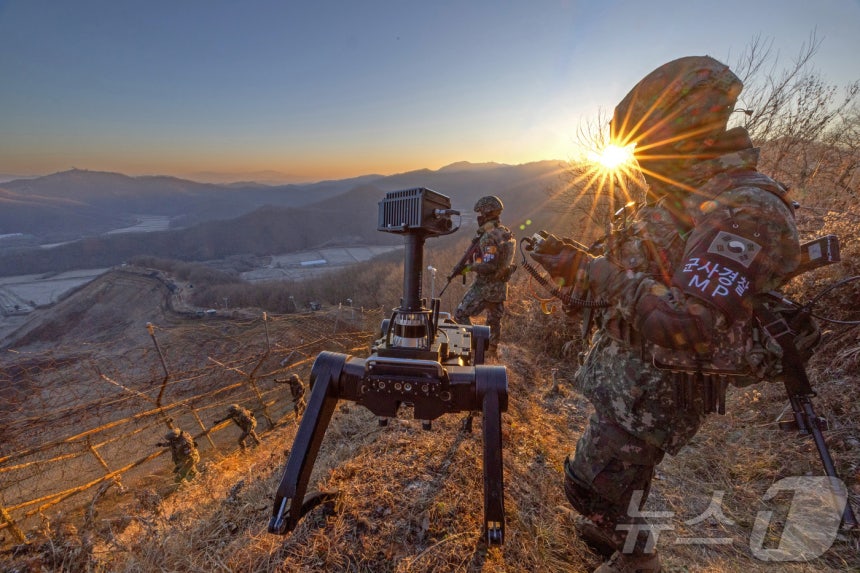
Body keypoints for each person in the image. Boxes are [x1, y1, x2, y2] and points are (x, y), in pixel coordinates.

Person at [530, 56, 801, 572]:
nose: (641, 163)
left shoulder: (745, 208)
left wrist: (591, 271)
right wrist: (575, 266)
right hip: (631, 379)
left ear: (683, 135)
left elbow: (689, 323)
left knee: (588, 485)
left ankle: (638, 560)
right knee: (617, 481)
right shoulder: (685, 197)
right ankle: (623, 536)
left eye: (649, 148)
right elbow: (643, 272)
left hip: (661, 387)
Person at [453, 195, 517, 354]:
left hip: (485, 287)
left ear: (487, 213)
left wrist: (468, 268)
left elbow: (489, 265)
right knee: (493, 320)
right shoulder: (505, 232)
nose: (479, 217)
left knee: (460, 314)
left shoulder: (489, 237)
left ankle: (473, 346)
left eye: (481, 213)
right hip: (500, 287)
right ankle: (491, 350)